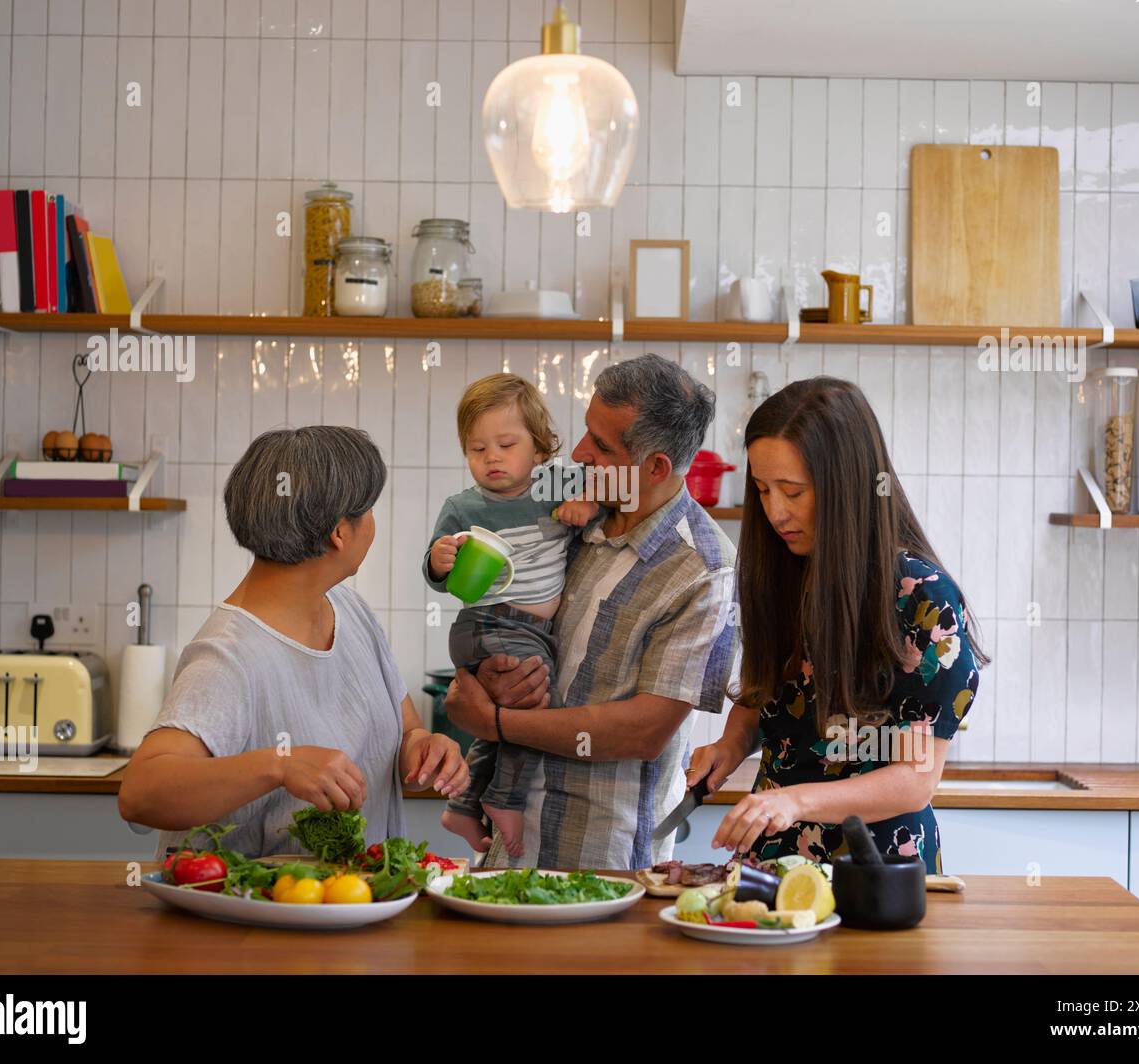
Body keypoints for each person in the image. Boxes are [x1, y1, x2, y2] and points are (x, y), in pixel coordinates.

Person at [444, 354, 738, 870]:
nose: (579, 454)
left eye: (601, 446)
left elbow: (643, 732)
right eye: (586, 433)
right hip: (507, 851)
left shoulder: (703, 571)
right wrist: (494, 672)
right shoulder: (570, 518)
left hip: (604, 864)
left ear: (655, 467)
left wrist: (496, 722)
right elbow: (509, 615)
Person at [118, 426, 468, 859]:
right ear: (340, 532)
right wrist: (279, 765)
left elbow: (405, 730)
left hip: (354, 910)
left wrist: (422, 747)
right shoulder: (228, 657)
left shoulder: (351, 611)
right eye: (369, 510)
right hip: (251, 921)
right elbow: (140, 792)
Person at [686, 377, 986, 872]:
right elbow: (768, 694)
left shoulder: (921, 597)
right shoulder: (781, 570)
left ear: (847, 485)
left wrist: (794, 802)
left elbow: (916, 778)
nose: (775, 512)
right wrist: (730, 745)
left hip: (875, 871)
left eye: (793, 491)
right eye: (762, 490)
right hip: (770, 866)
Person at [425, 373, 597, 858]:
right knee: (533, 708)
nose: (491, 458)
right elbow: (438, 576)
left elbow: (614, 490)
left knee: (506, 718)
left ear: (541, 449)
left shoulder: (556, 483)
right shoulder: (462, 508)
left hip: (532, 632)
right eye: (477, 449)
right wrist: (438, 561)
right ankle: (503, 801)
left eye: (505, 444)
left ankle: (463, 806)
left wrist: (587, 502)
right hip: (489, 624)